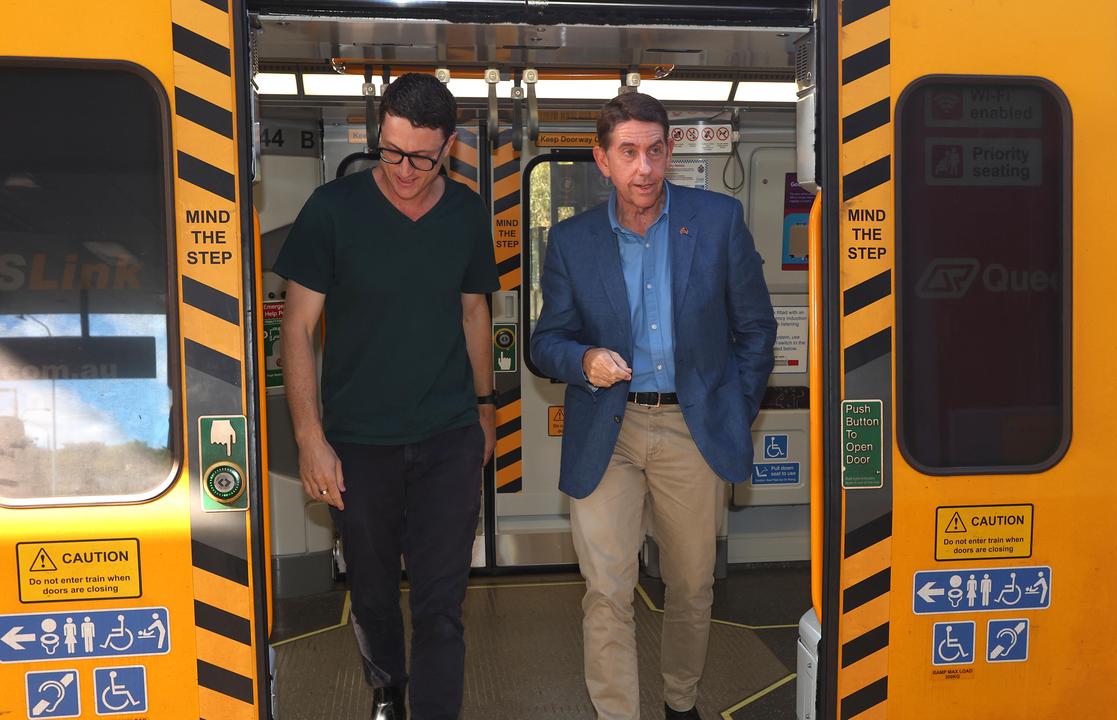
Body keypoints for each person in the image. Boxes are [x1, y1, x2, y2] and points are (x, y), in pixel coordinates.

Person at [530, 92, 776, 720]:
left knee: (692, 585)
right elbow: (545, 341)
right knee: (607, 590)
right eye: (629, 152)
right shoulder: (572, 239)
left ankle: (680, 701)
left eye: (655, 151)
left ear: (670, 152)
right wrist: (582, 360)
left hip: (690, 429)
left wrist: (732, 407)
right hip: (605, 431)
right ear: (602, 159)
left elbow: (756, 329)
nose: (644, 167)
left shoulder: (718, 221)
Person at [275, 73, 499, 720]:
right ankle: (386, 689)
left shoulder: (464, 212)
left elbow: (474, 313)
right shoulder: (332, 209)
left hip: (447, 437)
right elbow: (297, 326)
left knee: (440, 603)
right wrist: (310, 439)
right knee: (372, 594)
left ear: (448, 147)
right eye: (392, 151)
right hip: (357, 444)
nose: (404, 169)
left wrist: (486, 408)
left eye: (422, 158)